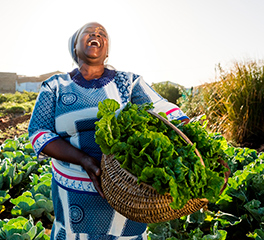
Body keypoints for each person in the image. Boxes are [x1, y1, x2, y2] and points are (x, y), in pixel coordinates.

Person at [28, 22, 190, 240]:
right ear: (75, 46)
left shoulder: (128, 82)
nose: (96, 35)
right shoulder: (56, 85)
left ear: (107, 51)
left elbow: (163, 110)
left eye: (102, 34)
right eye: (89, 32)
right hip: (73, 189)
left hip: (125, 188)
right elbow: (39, 133)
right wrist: (84, 160)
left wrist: (196, 143)